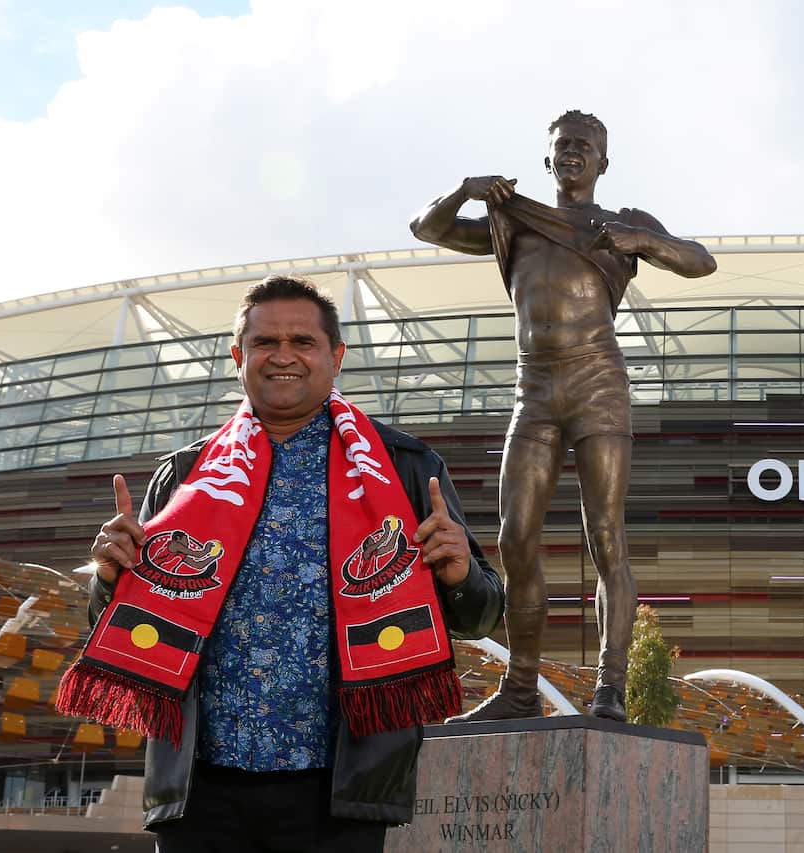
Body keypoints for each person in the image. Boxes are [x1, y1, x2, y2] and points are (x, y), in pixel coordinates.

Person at [83, 275, 504, 852]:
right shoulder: (184, 476)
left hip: (337, 790)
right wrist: (109, 578)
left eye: (303, 342)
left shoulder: (405, 469)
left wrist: (458, 574)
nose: (283, 356)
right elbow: (118, 625)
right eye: (265, 343)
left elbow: (481, 617)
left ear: (335, 357)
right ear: (239, 357)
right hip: (201, 791)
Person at [410, 110, 714, 722]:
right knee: (515, 537)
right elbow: (427, 228)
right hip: (535, 385)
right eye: (563, 145)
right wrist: (466, 189)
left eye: (585, 145)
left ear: (604, 161)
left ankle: (611, 686)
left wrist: (643, 242)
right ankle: (521, 690)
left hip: (597, 381)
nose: (573, 152)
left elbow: (700, 261)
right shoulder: (513, 217)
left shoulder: (622, 223)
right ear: (548, 160)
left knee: (605, 534)